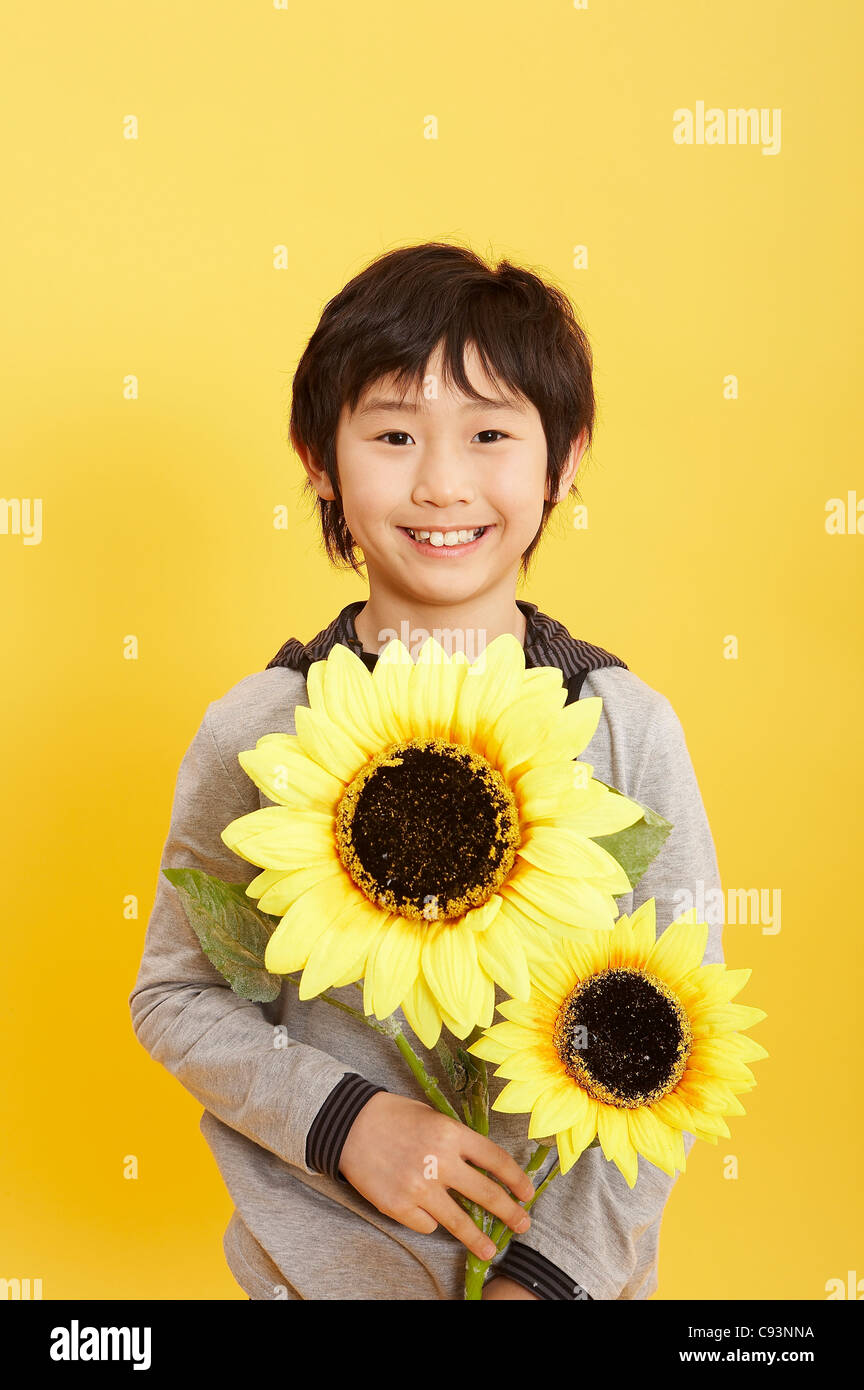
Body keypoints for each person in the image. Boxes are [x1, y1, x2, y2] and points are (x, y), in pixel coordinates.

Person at [129, 241, 723, 1300]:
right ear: (319, 457)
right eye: (394, 434)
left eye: (491, 434)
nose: (442, 482)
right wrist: (345, 1119)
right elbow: (179, 994)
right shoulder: (260, 728)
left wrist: (542, 1279)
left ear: (564, 460)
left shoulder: (624, 729)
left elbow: (669, 1052)